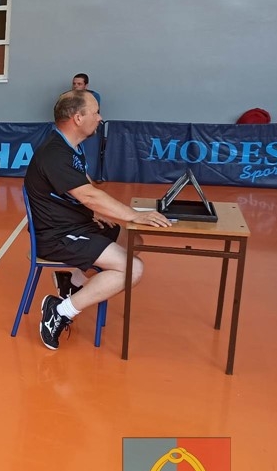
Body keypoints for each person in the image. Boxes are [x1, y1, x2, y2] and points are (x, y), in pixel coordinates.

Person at [24, 89, 171, 350]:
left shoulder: (71, 147)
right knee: (132, 269)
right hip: (57, 236)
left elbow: (84, 183)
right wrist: (134, 215)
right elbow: (89, 195)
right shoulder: (54, 154)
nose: (100, 118)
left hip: (76, 223)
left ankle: (72, 283)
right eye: (96, 112)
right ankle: (60, 311)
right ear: (78, 117)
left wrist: (99, 213)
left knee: (133, 239)